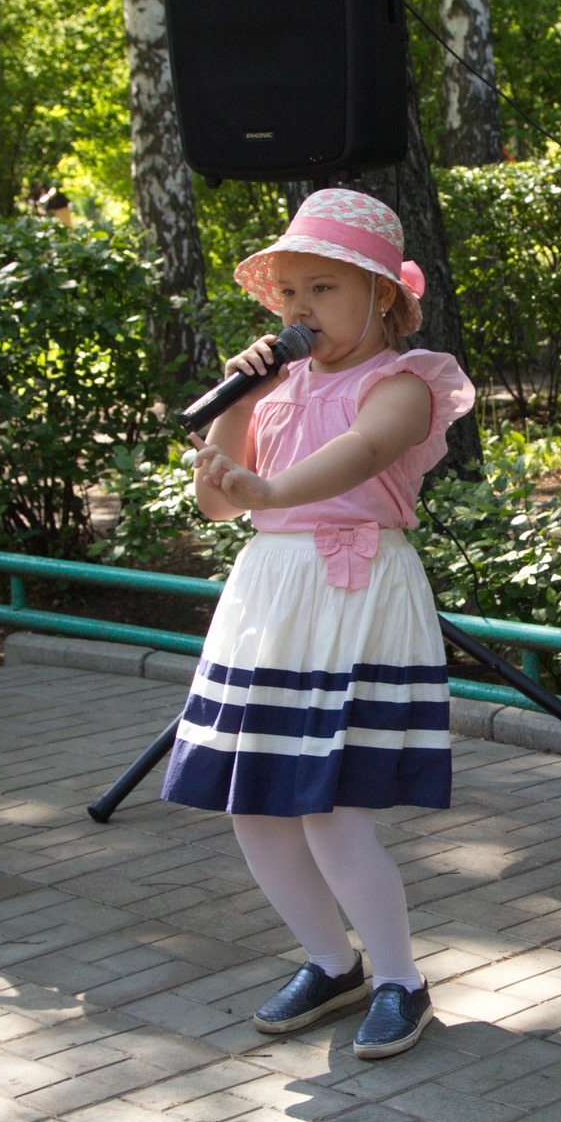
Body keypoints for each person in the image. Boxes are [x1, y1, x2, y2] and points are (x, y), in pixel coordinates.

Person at [164, 189, 475, 1060]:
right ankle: (327, 960)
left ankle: (399, 979)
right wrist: (240, 402)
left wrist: (271, 489)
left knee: (330, 805)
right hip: (272, 590)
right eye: (289, 292)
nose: (301, 311)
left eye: (323, 290)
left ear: (382, 293)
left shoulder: (406, 383)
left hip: (353, 590)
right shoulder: (276, 385)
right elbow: (217, 502)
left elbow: (364, 454)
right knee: (255, 805)